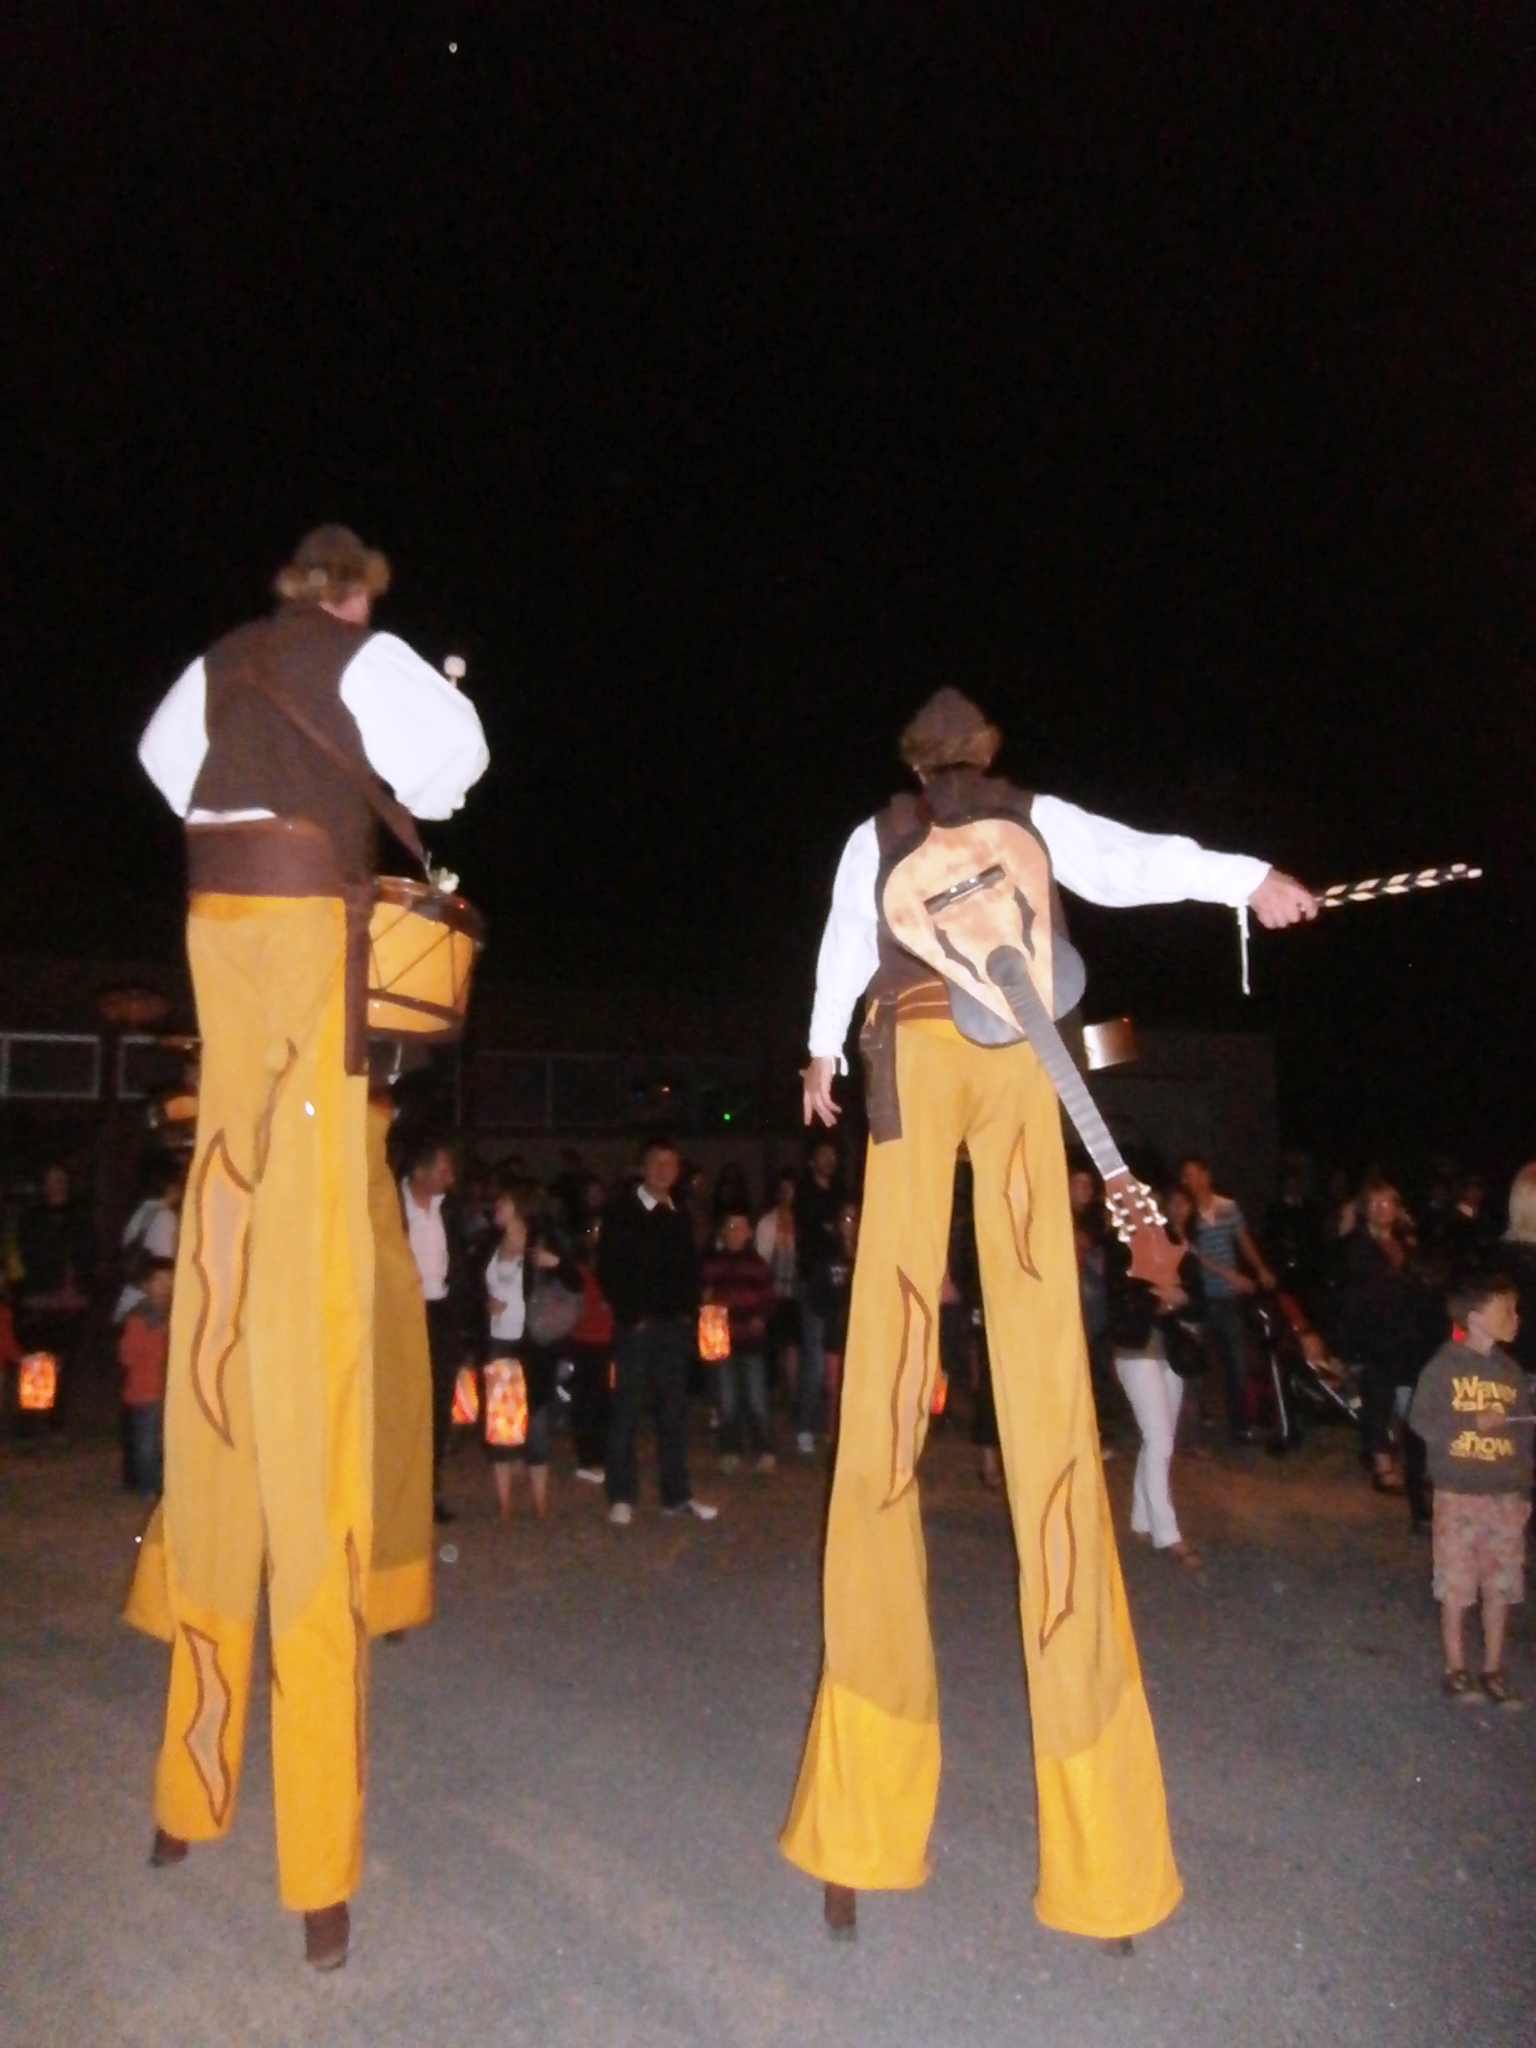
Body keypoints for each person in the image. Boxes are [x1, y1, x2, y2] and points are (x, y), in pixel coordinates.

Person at [784, 685, 1315, 1945]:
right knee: (1054, 1424)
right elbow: (1136, 862)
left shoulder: (882, 831)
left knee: (882, 1419)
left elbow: (843, 944)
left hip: (913, 1070)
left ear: (914, 760)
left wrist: (819, 1053)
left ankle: (859, 1827)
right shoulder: (1029, 815)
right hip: (1023, 1069)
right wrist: (1249, 880)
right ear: (985, 754)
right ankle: (1104, 1858)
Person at [128, 523, 487, 1969]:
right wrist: (422, 710)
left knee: (218, 1349)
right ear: (354, 594)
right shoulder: (367, 655)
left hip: (221, 978)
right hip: (314, 996)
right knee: (322, 1378)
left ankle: (190, 1789)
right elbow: (454, 772)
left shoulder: (216, 665)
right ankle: (316, 1866)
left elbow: (167, 771)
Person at [1407, 1269, 1532, 1706]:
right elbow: (1421, 1419)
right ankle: (1456, 1665)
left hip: (1504, 1494)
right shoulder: (1444, 1366)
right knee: (1457, 1583)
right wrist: (1470, 1420)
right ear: (1475, 1317)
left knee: (1501, 1583)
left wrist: (1524, 1491)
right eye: (1506, 1310)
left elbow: (1524, 1436)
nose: (1516, 1318)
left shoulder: (1511, 1373)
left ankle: (1493, 1667)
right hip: (1458, 1492)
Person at [596, 1136, 717, 1525]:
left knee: (674, 1411)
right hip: (636, 1327)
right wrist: (632, 1314)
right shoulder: (621, 1212)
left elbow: (689, 1268)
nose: (665, 1171)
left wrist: (687, 1312)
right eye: (658, 1163)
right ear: (643, 1168)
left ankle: (676, 1494)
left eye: (671, 1164)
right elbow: (608, 1268)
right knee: (627, 1409)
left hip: (672, 1327)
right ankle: (621, 1494)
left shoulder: (679, 1213)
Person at [1332, 1177, 1442, 1512]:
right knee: (1378, 1400)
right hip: (1374, 1334)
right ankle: (1382, 1463)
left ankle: (1415, 1462)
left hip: (1409, 1333)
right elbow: (1350, 1295)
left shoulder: (1406, 1241)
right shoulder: (1356, 1245)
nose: (1381, 1210)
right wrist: (1345, 1346)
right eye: (1375, 1203)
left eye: (1387, 1203)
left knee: (1413, 1401)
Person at [1107, 1213, 1204, 1568]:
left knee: (1159, 1440)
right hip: (1136, 1351)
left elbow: (1199, 1298)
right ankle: (1168, 1534)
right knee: (1160, 1440)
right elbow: (1123, 1301)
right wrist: (1166, 1299)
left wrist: (1177, 1297)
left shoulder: (1177, 1248)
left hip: (1172, 1352)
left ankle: (1141, 1519)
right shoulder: (1120, 1248)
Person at [483, 1181, 571, 1521]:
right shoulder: (489, 1243)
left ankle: (539, 1499)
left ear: (519, 1207)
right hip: (499, 1338)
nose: (496, 1208)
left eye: (502, 1202)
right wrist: (485, 1303)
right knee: (501, 1419)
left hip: (533, 1340)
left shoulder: (542, 1241)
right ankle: (504, 1501)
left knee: (537, 1417)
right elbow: (474, 1284)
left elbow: (574, 1277)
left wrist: (556, 1263)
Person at [1178, 1156, 1275, 1445]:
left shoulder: (1227, 1207)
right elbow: (1192, 1253)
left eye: (1195, 1174)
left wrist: (1260, 1268)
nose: (1191, 1181)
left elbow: (1244, 1241)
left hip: (1228, 1297)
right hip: (1202, 1295)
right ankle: (1198, 1420)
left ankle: (1239, 1424)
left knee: (1237, 1360)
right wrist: (1231, 1275)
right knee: (1198, 1360)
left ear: (1207, 1175)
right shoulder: (1187, 1213)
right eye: (1186, 1176)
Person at [15, 1162, 96, 1434]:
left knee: (65, 1358)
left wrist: (79, 1287)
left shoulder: (79, 1218)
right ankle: (33, 1418)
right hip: (40, 1296)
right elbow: (26, 1256)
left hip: (70, 1298)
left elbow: (88, 1254)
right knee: (38, 1357)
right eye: (51, 1181)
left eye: (60, 1181)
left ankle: (56, 1418)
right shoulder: (31, 1219)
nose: (56, 1187)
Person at [700, 1205, 776, 1471]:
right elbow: (705, 1298)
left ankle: (763, 1448)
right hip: (721, 1338)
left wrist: (760, 1318)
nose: (734, 1232)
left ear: (749, 1232)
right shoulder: (713, 1264)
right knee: (727, 1398)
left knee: (756, 1397)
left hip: (751, 1340)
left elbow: (769, 1299)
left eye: (740, 1227)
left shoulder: (757, 1265)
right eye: (730, 1227)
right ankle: (730, 1448)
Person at [794, 1139, 844, 1455]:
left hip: (841, 1283)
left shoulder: (841, 1193)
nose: (829, 1160)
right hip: (814, 1284)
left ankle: (837, 1426)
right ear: (812, 1160)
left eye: (833, 1155)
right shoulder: (805, 1194)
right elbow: (813, 1235)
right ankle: (804, 1426)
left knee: (840, 1361)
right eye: (823, 1155)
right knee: (814, 1359)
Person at [118, 1256, 174, 1498]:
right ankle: (148, 1488)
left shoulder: (176, 1313)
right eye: (159, 1281)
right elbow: (127, 1355)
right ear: (146, 1285)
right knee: (147, 1443)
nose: (165, 1287)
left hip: (168, 1390)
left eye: (169, 1281)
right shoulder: (140, 1317)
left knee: (166, 1441)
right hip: (146, 1390)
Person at [567, 1216, 615, 1484]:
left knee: (603, 1400)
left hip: (607, 1340)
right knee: (587, 1400)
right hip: (584, 1340)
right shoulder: (580, 1268)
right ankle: (588, 1457)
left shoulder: (614, 1265)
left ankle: (601, 1454)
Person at [755, 1170, 802, 1418]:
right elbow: (762, 1259)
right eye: (783, 1190)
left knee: (793, 1344)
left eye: (791, 1190)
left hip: (796, 1291)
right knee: (777, 1344)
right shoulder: (767, 1223)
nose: (787, 1195)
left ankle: (792, 1393)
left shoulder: (802, 1221)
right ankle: (777, 1391)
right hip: (774, 1291)